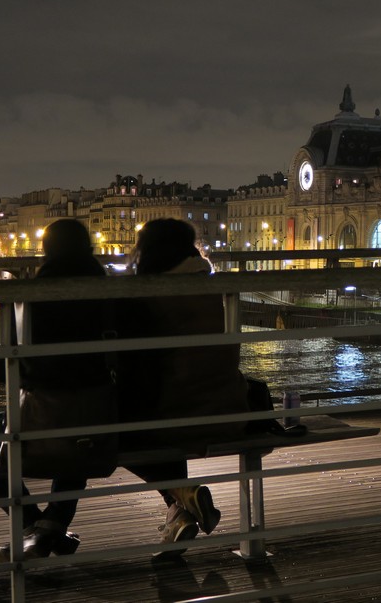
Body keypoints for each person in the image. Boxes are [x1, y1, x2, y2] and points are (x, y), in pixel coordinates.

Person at [0, 219, 110, 563]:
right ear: (88, 249)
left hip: (39, 421)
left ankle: (32, 525)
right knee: (79, 433)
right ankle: (52, 523)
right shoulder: (112, 295)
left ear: (46, 252)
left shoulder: (27, 298)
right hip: (101, 419)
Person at [119, 218, 248, 555]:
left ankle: (181, 495)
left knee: (111, 433)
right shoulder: (208, 285)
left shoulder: (149, 293)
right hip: (229, 408)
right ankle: (179, 511)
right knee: (164, 408)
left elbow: (136, 366)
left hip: (179, 412)